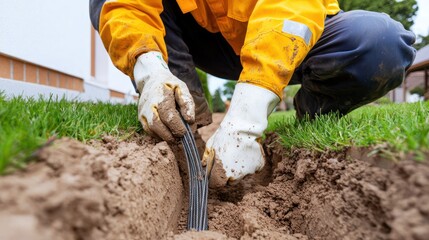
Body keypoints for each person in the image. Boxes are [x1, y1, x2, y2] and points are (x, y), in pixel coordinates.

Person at [90, 0, 416, 186]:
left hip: (287, 30)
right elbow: (128, 7)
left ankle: (318, 107)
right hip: (201, 35)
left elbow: (292, 8)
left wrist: (248, 116)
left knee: (380, 42)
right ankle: (183, 125)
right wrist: (150, 71)